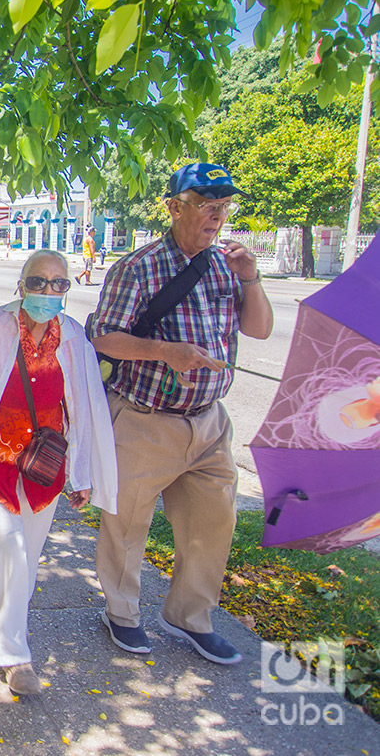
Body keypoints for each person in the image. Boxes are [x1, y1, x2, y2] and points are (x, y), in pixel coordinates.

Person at [89, 163, 273, 665]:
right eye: (205, 203)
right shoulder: (138, 267)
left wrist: (251, 279)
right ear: (174, 207)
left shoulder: (226, 266)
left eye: (223, 204)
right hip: (146, 418)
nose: (217, 214)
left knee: (213, 523)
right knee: (126, 524)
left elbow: (258, 330)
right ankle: (122, 613)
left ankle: (191, 617)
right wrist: (166, 352)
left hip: (209, 422)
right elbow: (104, 336)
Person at [0, 249, 118, 696]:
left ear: (68, 289)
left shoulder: (73, 337)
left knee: (24, 559)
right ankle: (16, 656)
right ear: (21, 285)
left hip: (43, 468)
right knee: (12, 547)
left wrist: (83, 472)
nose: (48, 291)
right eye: (38, 282)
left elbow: (85, 410)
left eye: (59, 284)